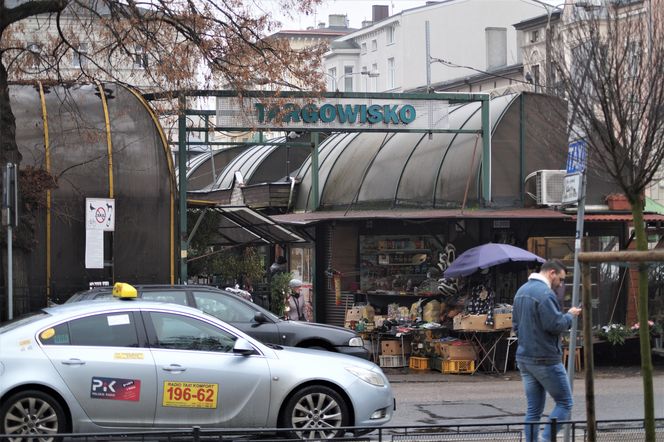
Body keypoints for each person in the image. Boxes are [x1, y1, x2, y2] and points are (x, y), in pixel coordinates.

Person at [513, 259, 582, 442]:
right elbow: (555, 325)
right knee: (565, 403)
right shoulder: (545, 294)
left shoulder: (521, 291)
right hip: (545, 358)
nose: (560, 284)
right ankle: (545, 440)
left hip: (525, 358)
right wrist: (570, 315)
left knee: (533, 411)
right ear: (552, 273)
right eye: (560, 279)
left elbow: (516, 326)